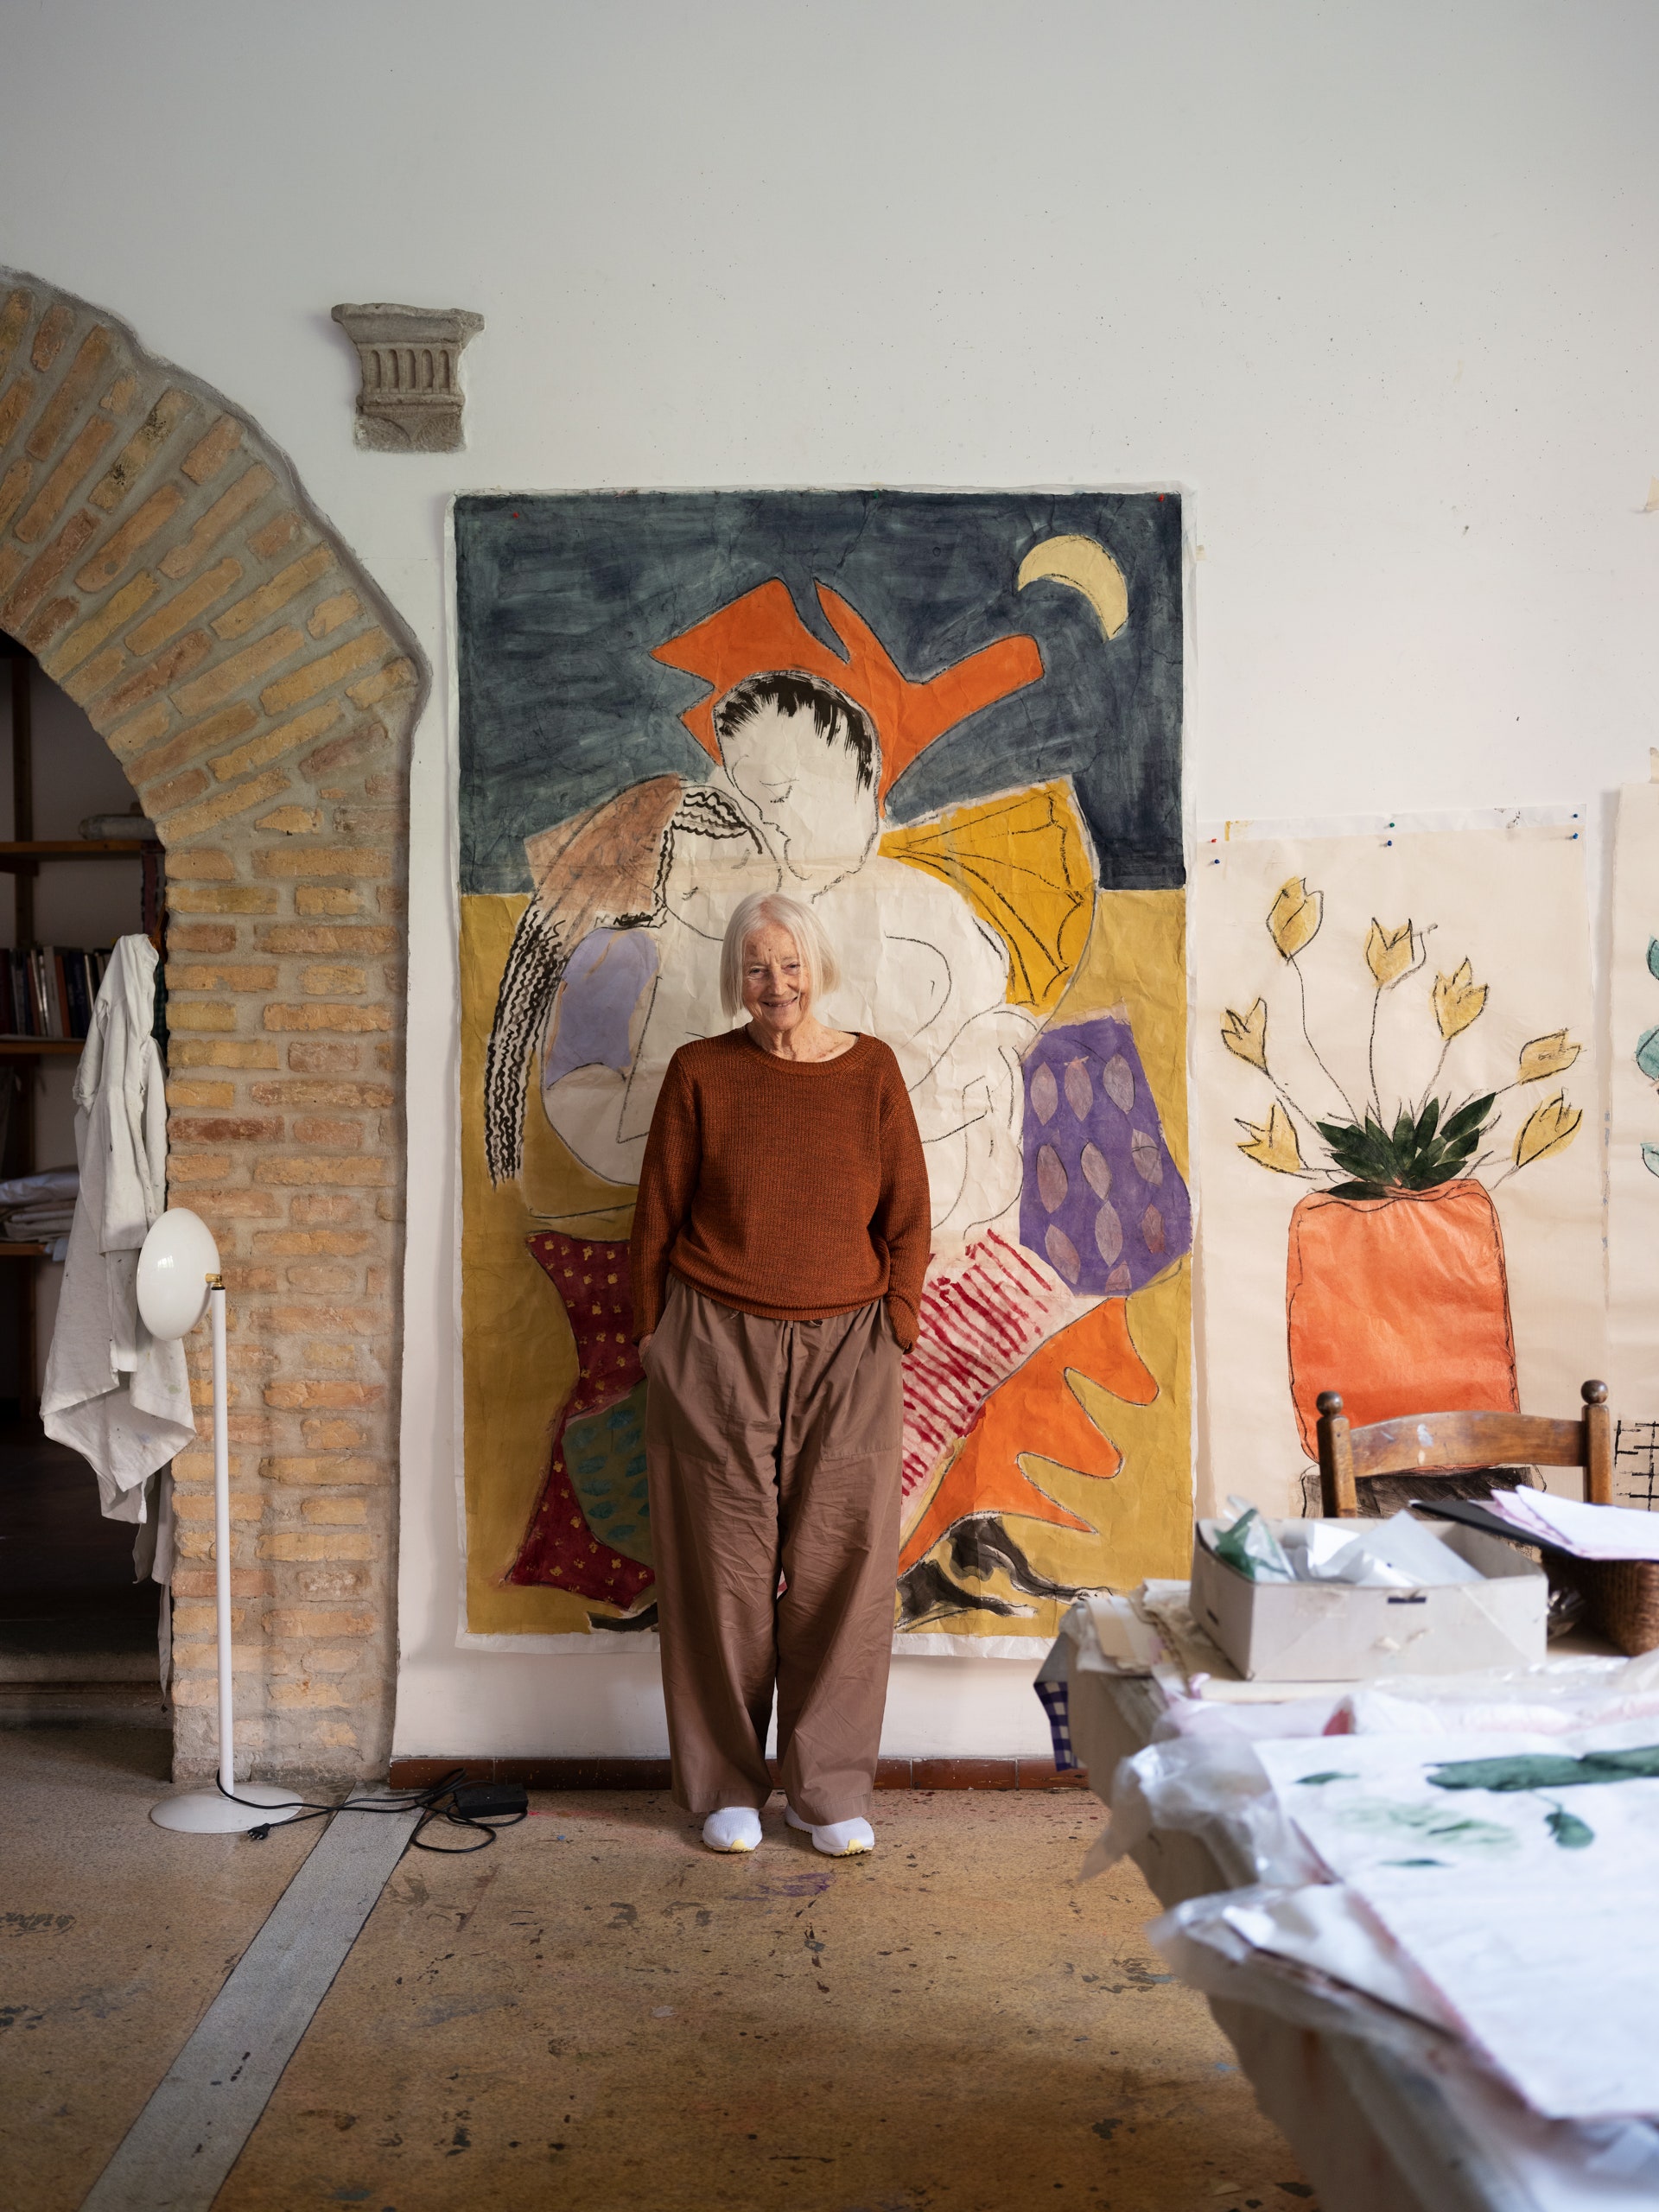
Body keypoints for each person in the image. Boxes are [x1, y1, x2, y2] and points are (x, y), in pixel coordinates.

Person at [629, 888, 931, 1856]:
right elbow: (655, 1220)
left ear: (819, 968)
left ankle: (825, 1790)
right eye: (757, 968)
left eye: (792, 965)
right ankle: (724, 1784)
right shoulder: (700, 1072)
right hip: (717, 1343)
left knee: (843, 1571)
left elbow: (909, 1215)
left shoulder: (873, 1070)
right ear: (737, 978)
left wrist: (899, 1320)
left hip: (851, 1344)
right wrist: (655, 1340)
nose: (776, 984)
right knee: (724, 1569)